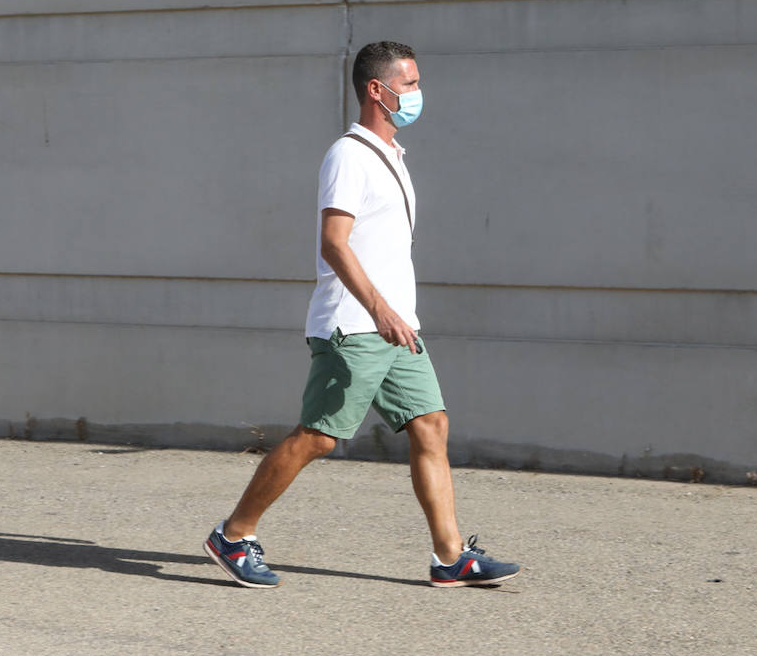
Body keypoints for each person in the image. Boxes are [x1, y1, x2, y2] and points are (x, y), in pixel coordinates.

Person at [203, 40, 521, 588]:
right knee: (320, 436)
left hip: (397, 326)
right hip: (355, 324)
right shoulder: (349, 155)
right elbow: (334, 242)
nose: (420, 93)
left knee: (431, 426)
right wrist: (379, 310)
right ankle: (233, 535)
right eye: (412, 83)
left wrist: (398, 316)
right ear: (378, 90)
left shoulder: (391, 155)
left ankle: (450, 557)